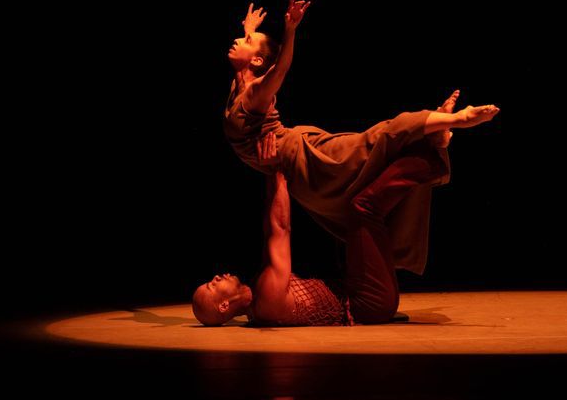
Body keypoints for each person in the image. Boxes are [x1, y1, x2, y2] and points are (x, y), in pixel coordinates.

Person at [224, 0, 499, 275]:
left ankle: (456, 119)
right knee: (354, 205)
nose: (237, 40)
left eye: (245, 42)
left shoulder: (256, 92)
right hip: (299, 175)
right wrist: (249, 31)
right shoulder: (241, 85)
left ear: (258, 60)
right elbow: (256, 62)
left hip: (306, 154)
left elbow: (279, 68)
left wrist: (290, 30)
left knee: (372, 141)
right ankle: (432, 138)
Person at [192, 132, 454, 326]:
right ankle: (429, 157)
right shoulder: (267, 300)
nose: (214, 277)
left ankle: (421, 144)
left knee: (349, 203)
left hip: (358, 290)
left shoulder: (260, 294)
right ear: (224, 305)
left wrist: (273, 173)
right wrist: (275, 170)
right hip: (369, 303)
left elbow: (269, 232)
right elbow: (279, 229)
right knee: (362, 209)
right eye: (210, 286)